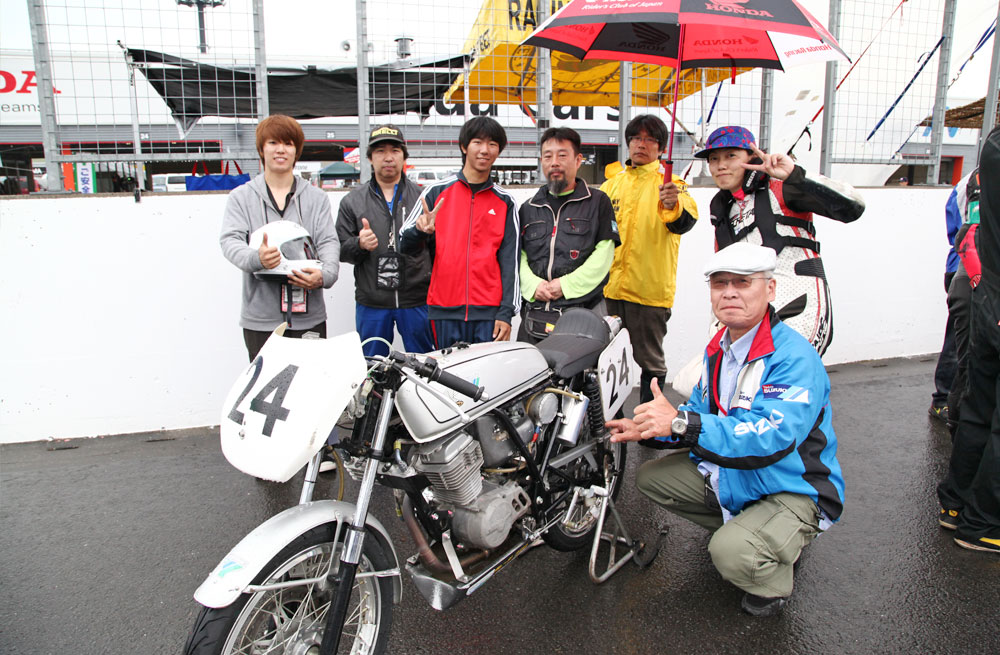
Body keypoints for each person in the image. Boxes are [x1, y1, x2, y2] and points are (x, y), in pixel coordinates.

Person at [607, 243, 845, 616]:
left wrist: (681, 423)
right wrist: (650, 428)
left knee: (730, 552)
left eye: (743, 282)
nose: (729, 292)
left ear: (770, 289)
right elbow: (698, 412)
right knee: (651, 478)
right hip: (742, 472)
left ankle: (771, 570)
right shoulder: (719, 347)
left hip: (794, 485)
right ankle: (757, 531)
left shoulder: (794, 357)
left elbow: (770, 438)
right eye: (720, 284)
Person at [696, 126, 865, 356]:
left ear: (752, 156)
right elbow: (723, 272)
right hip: (752, 310)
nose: (721, 165)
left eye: (731, 156)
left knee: (788, 370)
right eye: (714, 159)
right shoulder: (721, 208)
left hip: (799, 302)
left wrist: (795, 174)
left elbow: (853, 207)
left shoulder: (781, 185)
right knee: (719, 372)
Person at [220, 114, 340, 361]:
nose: (281, 150)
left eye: (288, 143)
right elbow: (230, 241)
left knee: (311, 381)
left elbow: (328, 241)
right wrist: (257, 258)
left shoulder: (316, 198)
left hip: (310, 317)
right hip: (260, 319)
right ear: (261, 149)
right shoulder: (241, 197)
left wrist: (325, 275)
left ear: (297, 152)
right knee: (267, 384)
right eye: (273, 143)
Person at [600, 114, 699, 402]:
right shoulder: (611, 185)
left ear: (661, 148)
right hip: (609, 291)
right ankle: (610, 419)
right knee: (605, 358)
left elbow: (684, 220)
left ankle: (650, 419)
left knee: (650, 361)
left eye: (649, 139)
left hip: (649, 293)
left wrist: (673, 202)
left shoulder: (672, 185)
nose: (641, 144)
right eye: (635, 138)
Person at [399, 116, 520, 348]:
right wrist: (420, 231)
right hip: (443, 309)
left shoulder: (505, 201)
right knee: (448, 371)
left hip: (489, 313)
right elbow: (405, 243)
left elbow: (510, 261)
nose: (485, 150)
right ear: (464, 146)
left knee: (487, 372)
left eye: (492, 144)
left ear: (499, 151)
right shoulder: (436, 192)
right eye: (477, 142)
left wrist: (506, 312)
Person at [937, 126, 1000, 554]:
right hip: (985, 290)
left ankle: (955, 505)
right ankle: (984, 524)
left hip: (982, 293)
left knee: (978, 407)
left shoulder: (990, 150)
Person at [336, 124, 434, 358]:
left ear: (404, 157)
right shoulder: (352, 201)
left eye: (395, 151)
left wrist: (424, 234)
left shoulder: (424, 198)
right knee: (373, 366)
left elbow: (439, 250)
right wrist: (359, 245)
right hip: (372, 302)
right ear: (370, 158)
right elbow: (340, 250)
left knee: (425, 365)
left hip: (417, 300)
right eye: (380, 151)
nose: (388, 157)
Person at [517, 126, 619, 343]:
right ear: (541, 161)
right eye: (548, 156)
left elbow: (604, 254)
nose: (554, 162)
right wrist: (534, 286)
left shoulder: (598, 202)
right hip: (534, 316)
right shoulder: (528, 207)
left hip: (584, 313)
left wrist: (565, 286)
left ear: (578, 160)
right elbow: (519, 256)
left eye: (562, 155)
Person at [930, 170, 979, 422]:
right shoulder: (973, 181)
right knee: (958, 340)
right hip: (965, 267)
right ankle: (943, 399)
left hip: (971, 267)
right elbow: (965, 229)